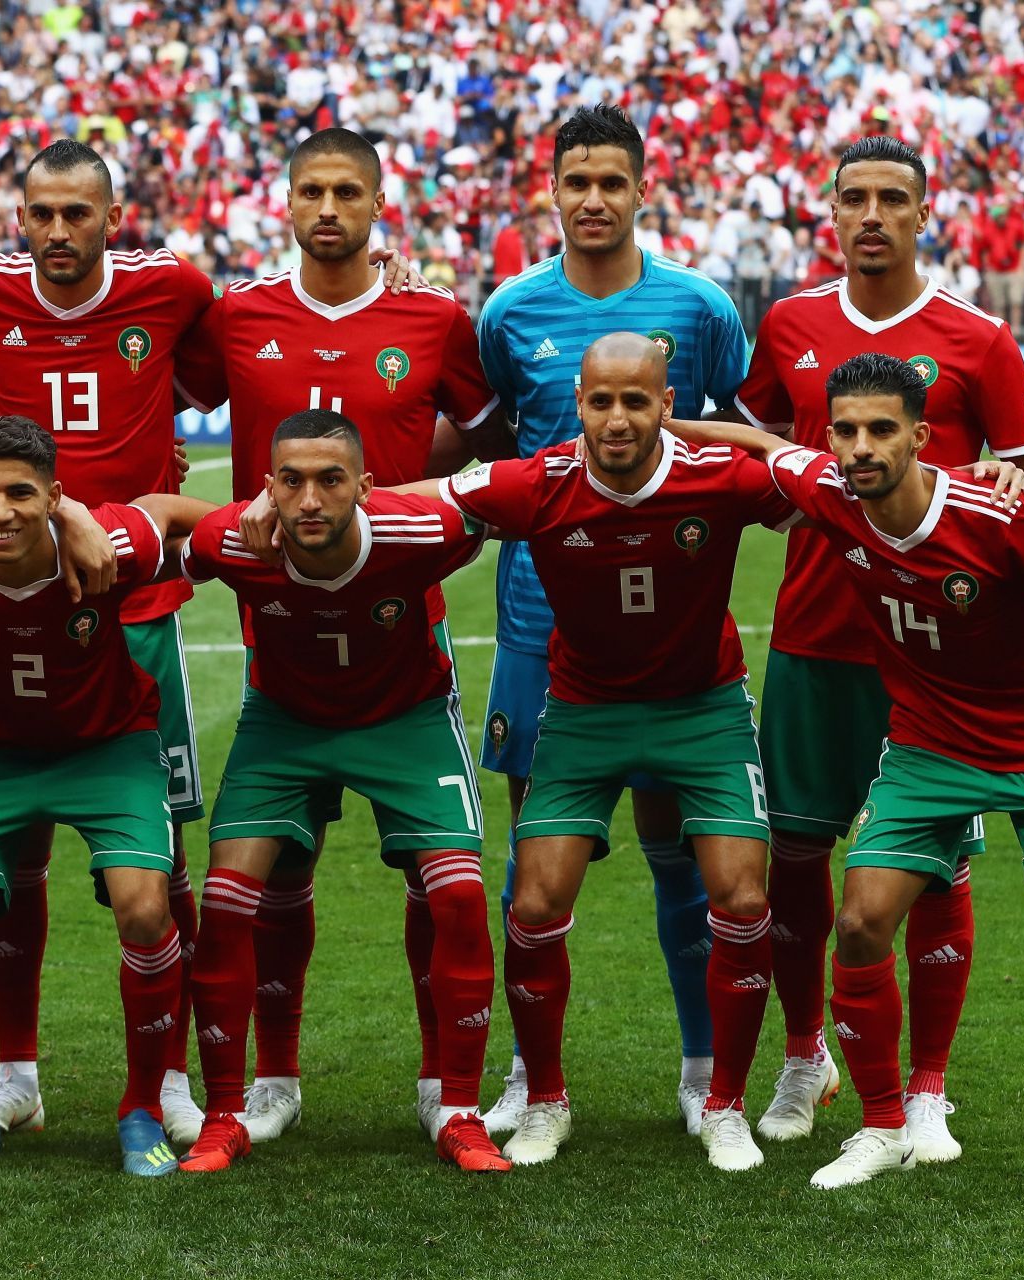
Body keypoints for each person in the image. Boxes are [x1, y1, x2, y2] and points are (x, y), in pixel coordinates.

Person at [674, 354, 1024, 1201]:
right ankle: (883, 1123)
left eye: (881, 429)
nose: (858, 446)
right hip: (925, 750)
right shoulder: (831, 493)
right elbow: (754, 442)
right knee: (857, 924)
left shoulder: (998, 510)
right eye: (844, 430)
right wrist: (659, 425)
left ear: (922, 437)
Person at [733, 135, 1024, 1157]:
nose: (871, 214)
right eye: (854, 199)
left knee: (937, 866)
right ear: (828, 212)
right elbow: (751, 454)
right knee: (796, 855)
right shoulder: (789, 323)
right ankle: (804, 1056)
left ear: (925, 213)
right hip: (815, 638)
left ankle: (927, 1085)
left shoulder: (977, 337)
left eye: (892, 198)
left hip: (940, 660)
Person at [173, 127, 506, 1144]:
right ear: (286, 201)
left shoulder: (433, 315)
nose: (329, 207)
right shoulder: (238, 317)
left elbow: (488, 434)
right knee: (264, 880)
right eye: (311, 190)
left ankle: (443, 1085)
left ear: (377, 201)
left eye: (347, 191)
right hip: (282, 651)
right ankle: (270, 1078)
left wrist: (388, 502)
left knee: (439, 881)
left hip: (405, 648)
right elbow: (159, 398)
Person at [431, 333, 795, 1172]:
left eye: (638, 400)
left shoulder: (717, 478)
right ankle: (546, 1101)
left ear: (670, 405)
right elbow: (426, 499)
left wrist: (741, 439)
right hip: (585, 714)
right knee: (531, 905)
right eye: (602, 401)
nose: (618, 418)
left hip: (702, 710)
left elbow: (815, 473)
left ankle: (726, 1104)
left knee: (741, 900)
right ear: (579, 402)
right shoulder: (540, 481)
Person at [465, 104, 752, 1137]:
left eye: (611, 182)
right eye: (575, 181)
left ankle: (703, 1061)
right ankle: (525, 1071)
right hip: (543, 628)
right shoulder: (508, 312)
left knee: (682, 849)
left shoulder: (701, 306)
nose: (593, 199)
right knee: (534, 859)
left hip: (672, 634)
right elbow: (485, 438)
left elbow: (748, 433)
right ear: (553, 189)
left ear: (642, 189)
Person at [0, 138, 217, 1143]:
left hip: (138, 614)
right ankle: (16, 1072)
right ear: (19, 218)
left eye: (78, 212)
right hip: (20, 608)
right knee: (15, 846)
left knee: (160, 859)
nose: (58, 232)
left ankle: (173, 1072)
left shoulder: (171, 287)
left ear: (114, 216)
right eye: (40, 214)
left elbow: (227, 349)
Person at [176, 409, 505, 1174]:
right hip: (285, 724)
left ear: (364, 484)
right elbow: (159, 537)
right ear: (266, 489)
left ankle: (454, 1102)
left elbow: (504, 499)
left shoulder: (423, 533)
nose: (311, 500)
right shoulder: (232, 539)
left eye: (331, 481)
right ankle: (235, 1105)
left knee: (456, 894)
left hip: (406, 719)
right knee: (228, 900)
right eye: (291, 482)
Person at [0, 416, 212, 1178]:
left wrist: (87, 518)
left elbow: (174, 515)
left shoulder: (108, 545)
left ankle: (139, 1107)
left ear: (55, 495)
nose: (0, 511)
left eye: (23, 495)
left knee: (144, 905)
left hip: (105, 748)